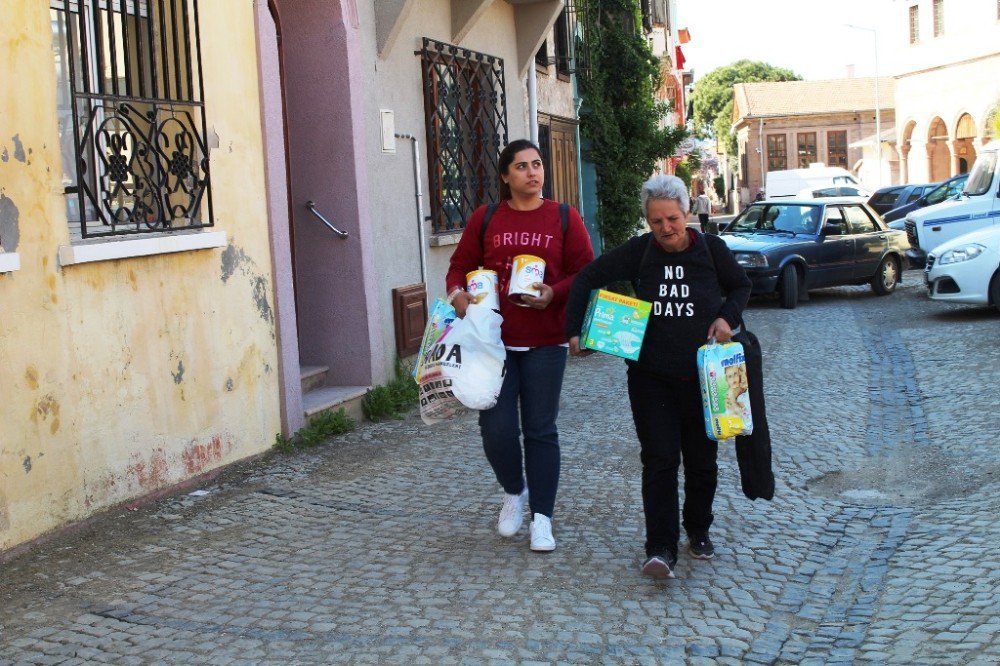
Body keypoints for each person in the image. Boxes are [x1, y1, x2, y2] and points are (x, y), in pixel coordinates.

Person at [565, 174, 751, 579]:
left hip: (707, 378)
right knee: (660, 460)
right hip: (651, 378)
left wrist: (726, 317)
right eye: (656, 222)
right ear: (647, 223)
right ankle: (661, 548)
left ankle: (698, 528)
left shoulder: (712, 250)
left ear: (687, 213)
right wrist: (576, 329)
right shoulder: (639, 253)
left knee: (702, 462)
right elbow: (586, 279)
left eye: (672, 218)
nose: (666, 228)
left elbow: (741, 286)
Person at [446, 139, 595, 552]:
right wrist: (459, 296)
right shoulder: (486, 217)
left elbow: (585, 271)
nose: (533, 172)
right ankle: (514, 490)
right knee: (495, 428)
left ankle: (542, 519)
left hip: (547, 341)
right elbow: (459, 265)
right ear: (506, 176)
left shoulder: (565, 217)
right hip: (493, 343)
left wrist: (554, 293)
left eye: (537, 164)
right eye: (522, 166)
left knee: (541, 430)